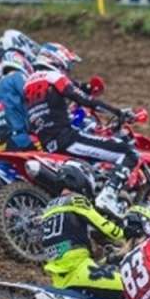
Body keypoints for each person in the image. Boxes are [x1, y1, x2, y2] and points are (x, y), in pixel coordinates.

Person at [21, 42, 140, 216]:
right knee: (128, 152)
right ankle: (108, 196)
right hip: (68, 138)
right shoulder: (54, 77)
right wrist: (118, 112)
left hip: (47, 143)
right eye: (67, 65)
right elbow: (84, 99)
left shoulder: (27, 84)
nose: (67, 70)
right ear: (56, 59)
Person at [40, 164, 127, 299]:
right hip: (78, 266)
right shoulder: (76, 199)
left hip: (58, 273)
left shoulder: (49, 207)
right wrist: (126, 235)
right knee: (128, 286)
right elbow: (102, 225)